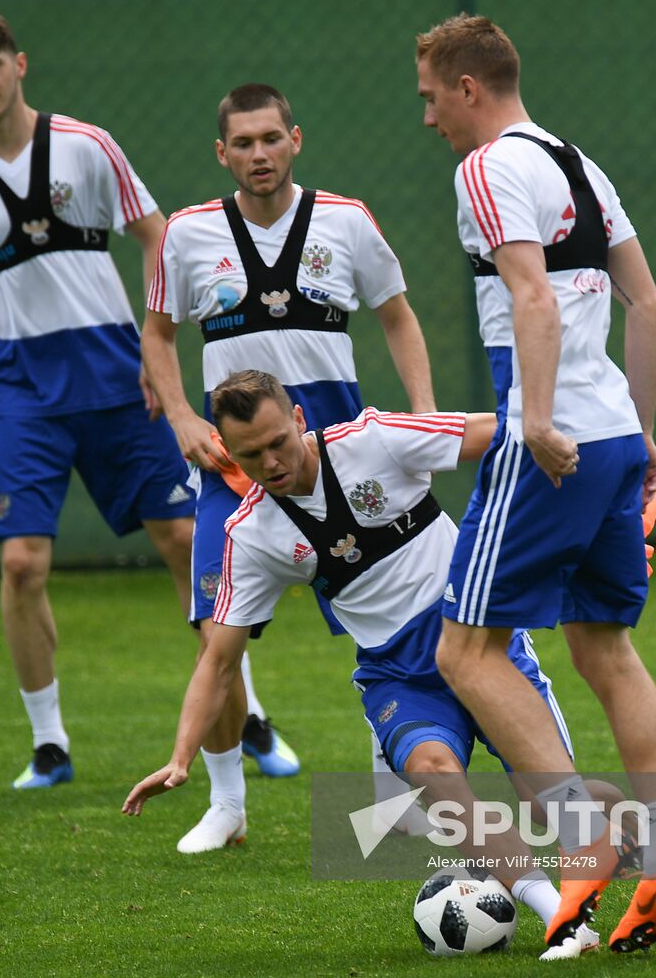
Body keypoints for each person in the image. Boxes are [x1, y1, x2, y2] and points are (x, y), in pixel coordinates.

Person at [123, 371, 606, 959]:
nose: (271, 461)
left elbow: (508, 436)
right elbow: (218, 660)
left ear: (300, 418)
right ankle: (558, 914)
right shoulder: (248, 534)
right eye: (250, 455)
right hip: (395, 673)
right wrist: (179, 759)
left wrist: (586, 506)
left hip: (478, 640)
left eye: (278, 441)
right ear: (230, 454)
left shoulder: (373, 439)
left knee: (552, 803)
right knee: (433, 769)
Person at [414, 14, 656, 954]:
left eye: (430, 98)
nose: (428, 119)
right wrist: (647, 433)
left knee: (464, 652)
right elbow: (650, 304)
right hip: (619, 433)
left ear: (468, 87)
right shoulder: (579, 163)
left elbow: (531, 296)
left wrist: (536, 420)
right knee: (604, 652)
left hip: (556, 442)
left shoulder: (487, 166)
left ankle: (586, 840)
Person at [141, 84, 436, 852]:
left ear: (295, 140)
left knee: (387, 624)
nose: (259, 154)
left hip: (338, 471)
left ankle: (394, 784)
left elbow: (398, 316)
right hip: (231, 477)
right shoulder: (188, 233)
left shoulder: (347, 221)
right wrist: (179, 416)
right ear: (221, 153)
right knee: (216, 634)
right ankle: (228, 804)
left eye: (271, 138)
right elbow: (159, 332)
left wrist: (425, 418)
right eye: (243, 143)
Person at [0, 11, 195, 791]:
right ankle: (49, 745)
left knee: (183, 537)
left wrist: (155, 341)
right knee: (23, 565)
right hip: (19, 384)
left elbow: (155, 234)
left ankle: (245, 710)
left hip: (112, 366)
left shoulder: (85, 144)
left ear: (19, 63)